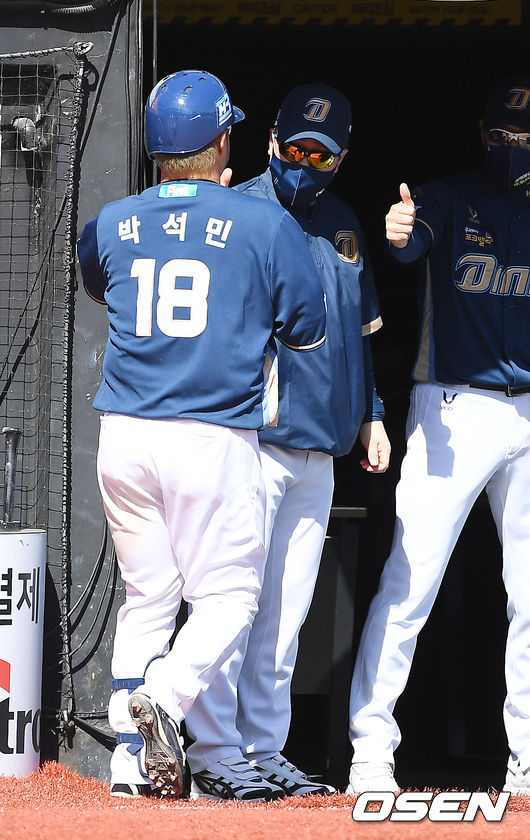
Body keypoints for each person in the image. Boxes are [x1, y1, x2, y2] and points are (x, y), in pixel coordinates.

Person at [77, 69, 327, 800]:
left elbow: (101, 282)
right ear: (222, 140)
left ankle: (128, 763)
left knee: (148, 597)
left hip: (124, 432)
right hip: (210, 434)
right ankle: (168, 694)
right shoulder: (265, 222)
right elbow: (306, 332)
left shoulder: (114, 220)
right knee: (230, 598)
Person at [184, 82, 390, 800]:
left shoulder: (343, 224)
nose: (307, 163)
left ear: (340, 159)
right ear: (271, 140)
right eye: (298, 148)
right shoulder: (237, 211)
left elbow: (360, 337)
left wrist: (374, 413)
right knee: (230, 603)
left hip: (319, 450)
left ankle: (263, 750)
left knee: (285, 617)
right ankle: (214, 753)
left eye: (322, 155)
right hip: (251, 442)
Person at [347, 75, 530, 795]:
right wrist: (399, 229)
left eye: (527, 137)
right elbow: (404, 242)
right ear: (483, 134)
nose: (513, 147)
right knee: (411, 579)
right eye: (504, 134)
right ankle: (369, 750)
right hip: (454, 405)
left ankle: (526, 765)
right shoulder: (449, 197)